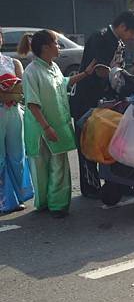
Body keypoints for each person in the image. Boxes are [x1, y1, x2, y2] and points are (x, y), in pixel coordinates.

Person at [69, 10, 134, 199]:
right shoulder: (100, 38)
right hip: (87, 99)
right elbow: (99, 70)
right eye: (133, 33)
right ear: (123, 26)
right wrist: (116, 76)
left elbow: (120, 70)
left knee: (107, 141)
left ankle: (112, 183)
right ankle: (90, 187)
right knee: (87, 142)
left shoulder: (119, 43)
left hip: (105, 100)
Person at [22, 30, 96, 218]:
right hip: (40, 129)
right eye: (56, 43)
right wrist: (46, 127)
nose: (59, 46)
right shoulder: (31, 71)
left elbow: (64, 82)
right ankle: (44, 203)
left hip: (59, 125)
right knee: (40, 168)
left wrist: (85, 74)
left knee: (59, 166)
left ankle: (58, 206)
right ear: (46, 47)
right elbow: (32, 103)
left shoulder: (53, 66)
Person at [0, 27, 34, 214]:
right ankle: (4, 199)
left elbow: (21, 89)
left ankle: (18, 196)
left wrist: (11, 89)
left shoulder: (12, 62)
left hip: (13, 111)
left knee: (17, 155)